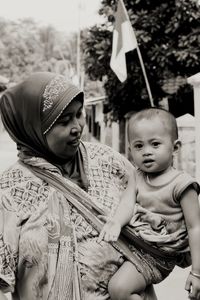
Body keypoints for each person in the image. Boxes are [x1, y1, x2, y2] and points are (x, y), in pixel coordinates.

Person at [0, 72, 157, 300]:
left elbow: (162, 212)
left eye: (79, 114)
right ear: (32, 129)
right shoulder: (10, 190)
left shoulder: (108, 161)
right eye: (64, 122)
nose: (77, 127)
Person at [98, 108, 200, 300]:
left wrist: (197, 272)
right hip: (136, 243)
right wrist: (116, 222)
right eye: (139, 146)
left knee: (119, 289)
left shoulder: (182, 185)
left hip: (159, 254)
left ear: (175, 147)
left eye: (155, 144)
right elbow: (126, 204)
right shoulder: (136, 177)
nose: (146, 152)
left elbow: (195, 228)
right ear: (130, 150)